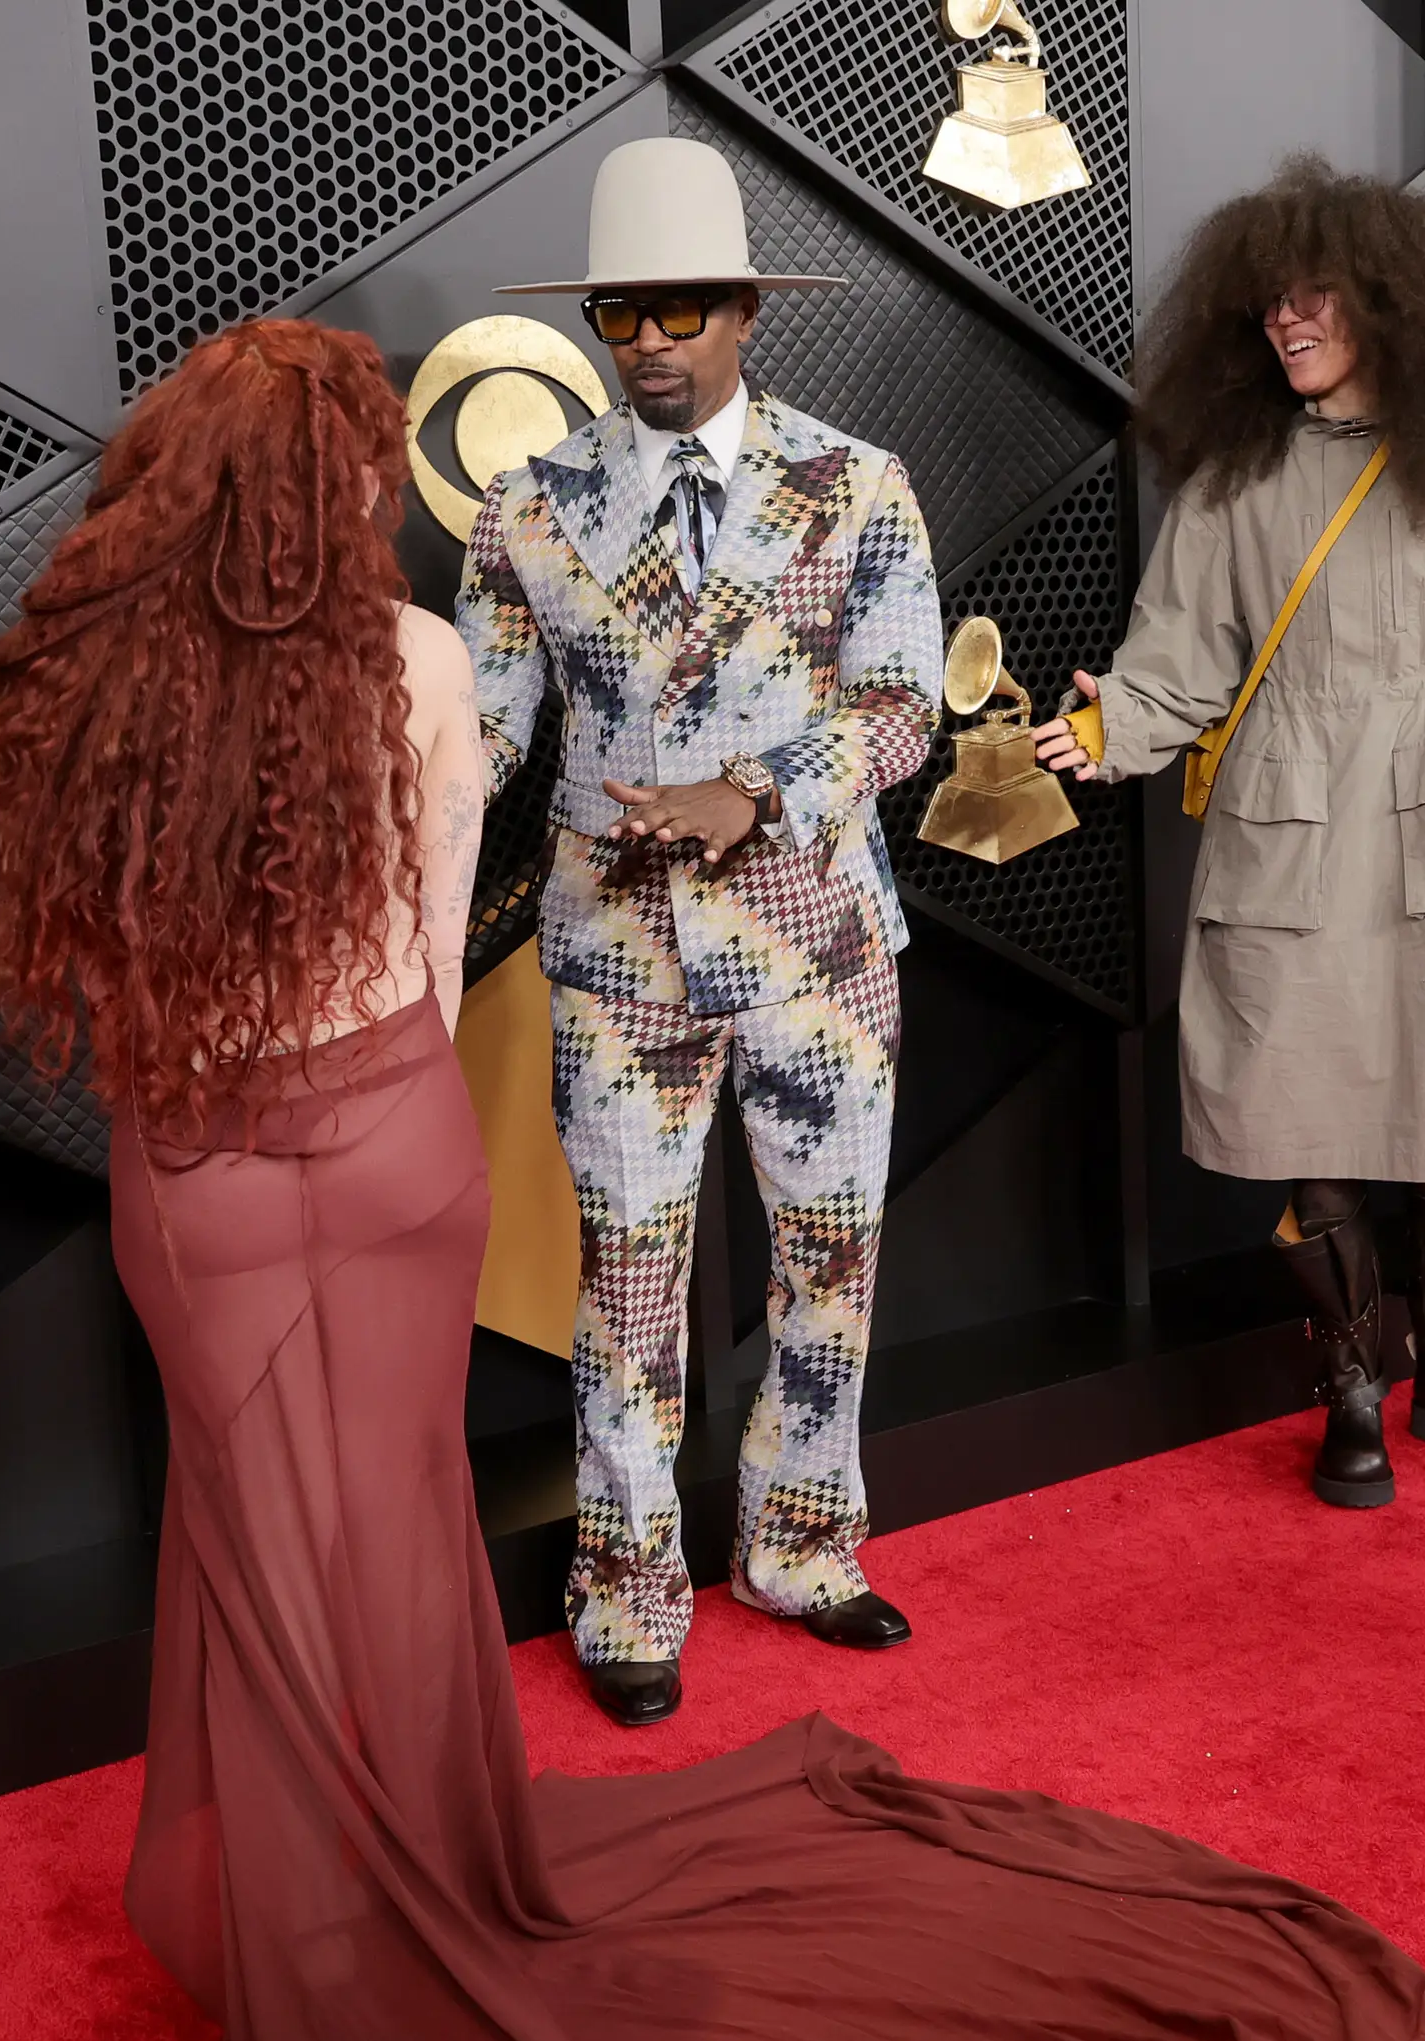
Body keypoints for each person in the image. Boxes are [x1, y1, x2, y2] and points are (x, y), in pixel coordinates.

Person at [0, 309, 1425, 2041]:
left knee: (262, 1527)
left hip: (238, 1147)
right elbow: (420, 944)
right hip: (410, 1120)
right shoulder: (430, 635)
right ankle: (454, 1832)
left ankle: (345, 1887)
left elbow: (127, 985)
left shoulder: (111, 683)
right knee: (403, 1518)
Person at [1030, 157, 1425, 1510]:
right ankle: (1352, 1397)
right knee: (1313, 1134)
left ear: (1395, 305)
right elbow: (1175, 662)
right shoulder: (1232, 480)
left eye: (1316, 299)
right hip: (1285, 824)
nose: (1286, 323)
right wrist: (1110, 736)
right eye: (1271, 304)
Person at [460, 137, 937, 1726]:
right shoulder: (527, 509)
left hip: (821, 957)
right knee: (630, 1280)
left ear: (745, 311)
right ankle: (626, 1590)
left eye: (678, 312)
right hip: (617, 967)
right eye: (619, 317)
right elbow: (480, 734)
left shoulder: (858, 484)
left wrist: (755, 792)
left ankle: (802, 1547)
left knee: (832, 1260)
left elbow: (904, 710)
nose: (648, 343)